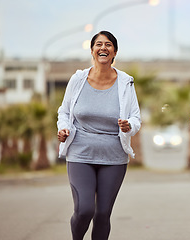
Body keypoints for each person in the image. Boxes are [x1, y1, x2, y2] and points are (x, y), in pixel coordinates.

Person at [57, 30, 141, 240]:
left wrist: (128, 125)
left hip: (113, 157)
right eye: (99, 44)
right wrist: (63, 127)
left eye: (108, 45)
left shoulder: (125, 82)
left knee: (102, 214)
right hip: (80, 154)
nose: (103, 48)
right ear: (92, 50)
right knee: (85, 210)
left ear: (114, 53)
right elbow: (64, 111)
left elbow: (135, 118)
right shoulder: (78, 79)